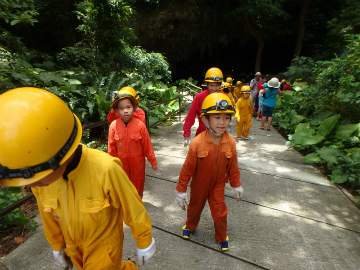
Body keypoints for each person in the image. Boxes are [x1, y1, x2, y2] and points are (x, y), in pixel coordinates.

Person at [0, 87, 155, 270]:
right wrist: (57, 245)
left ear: (61, 155)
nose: (33, 185)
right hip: (73, 249)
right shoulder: (38, 177)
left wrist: (144, 238)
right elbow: (47, 213)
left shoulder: (105, 169)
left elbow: (131, 204)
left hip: (104, 247)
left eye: (38, 178)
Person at [176, 92, 244, 251]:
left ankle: (221, 236)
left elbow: (233, 166)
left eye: (226, 117)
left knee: (220, 213)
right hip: (199, 184)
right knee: (194, 208)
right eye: (217, 117)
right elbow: (187, 168)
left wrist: (236, 184)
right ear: (205, 119)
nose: (222, 122)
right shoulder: (197, 143)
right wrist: (181, 189)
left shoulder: (231, 143)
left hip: (218, 184)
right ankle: (190, 226)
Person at [108, 87, 158, 198]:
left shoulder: (140, 125)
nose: (125, 110)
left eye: (128, 107)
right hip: (121, 163)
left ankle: (138, 204)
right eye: (121, 108)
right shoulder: (113, 126)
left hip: (138, 163)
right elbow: (111, 148)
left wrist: (153, 161)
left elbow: (147, 146)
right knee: (123, 185)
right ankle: (126, 205)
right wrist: (111, 164)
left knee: (138, 184)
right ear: (116, 111)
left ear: (134, 108)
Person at [183, 67, 223, 146]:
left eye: (216, 85)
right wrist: (186, 133)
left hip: (219, 136)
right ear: (207, 84)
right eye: (211, 85)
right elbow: (191, 115)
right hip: (202, 135)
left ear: (220, 85)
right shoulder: (200, 97)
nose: (214, 88)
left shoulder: (224, 98)